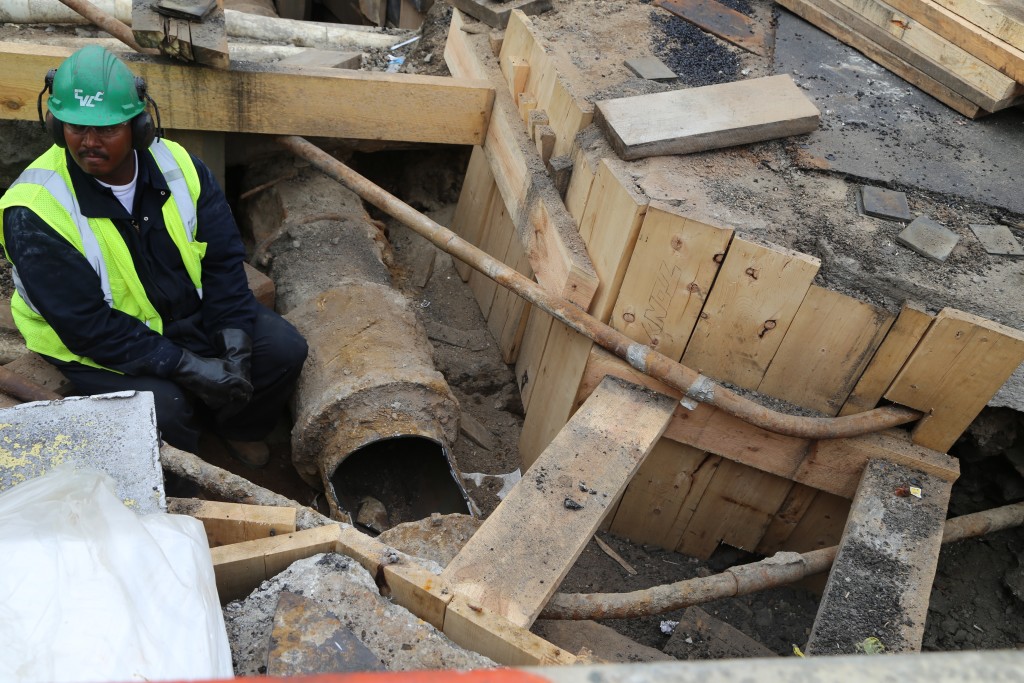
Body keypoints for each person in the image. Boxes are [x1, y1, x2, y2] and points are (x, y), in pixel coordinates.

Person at [0, 45, 308, 468]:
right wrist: (188, 367)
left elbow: (221, 262)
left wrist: (234, 342)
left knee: (282, 350)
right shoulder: (34, 209)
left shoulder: (180, 166)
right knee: (164, 410)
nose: (89, 142)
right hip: (97, 343)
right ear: (55, 126)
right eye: (74, 127)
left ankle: (236, 429)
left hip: (183, 313)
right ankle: (181, 485)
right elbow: (87, 327)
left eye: (106, 129)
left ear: (139, 125)